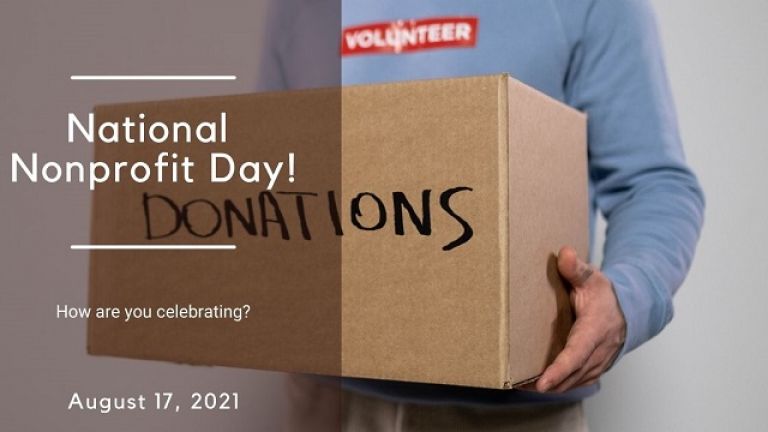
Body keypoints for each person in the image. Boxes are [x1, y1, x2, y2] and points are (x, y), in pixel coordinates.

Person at [257, 0, 706, 430]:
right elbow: (266, 170)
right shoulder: (298, 6)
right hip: (324, 400)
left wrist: (629, 298)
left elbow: (652, 182)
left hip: (515, 409)